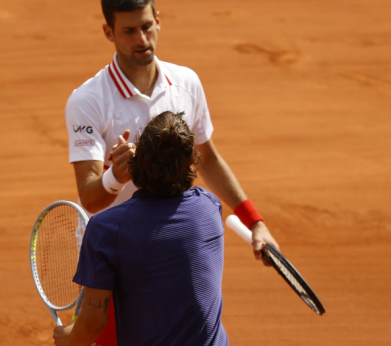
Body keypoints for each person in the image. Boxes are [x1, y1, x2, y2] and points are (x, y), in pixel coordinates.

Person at [64, 0, 280, 344]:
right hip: (113, 250)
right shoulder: (88, 101)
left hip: (170, 242)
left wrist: (255, 222)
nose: (142, 39)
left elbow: (207, 159)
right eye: (129, 31)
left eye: (147, 27)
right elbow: (90, 197)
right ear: (109, 32)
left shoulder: (186, 83)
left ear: (158, 21)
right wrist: (115, 176)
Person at [54, 111, 229, 346]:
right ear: (190, 162)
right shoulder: (209, 207)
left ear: (139, 162)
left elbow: (92, 325)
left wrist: (68, 339)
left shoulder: (106, 229)